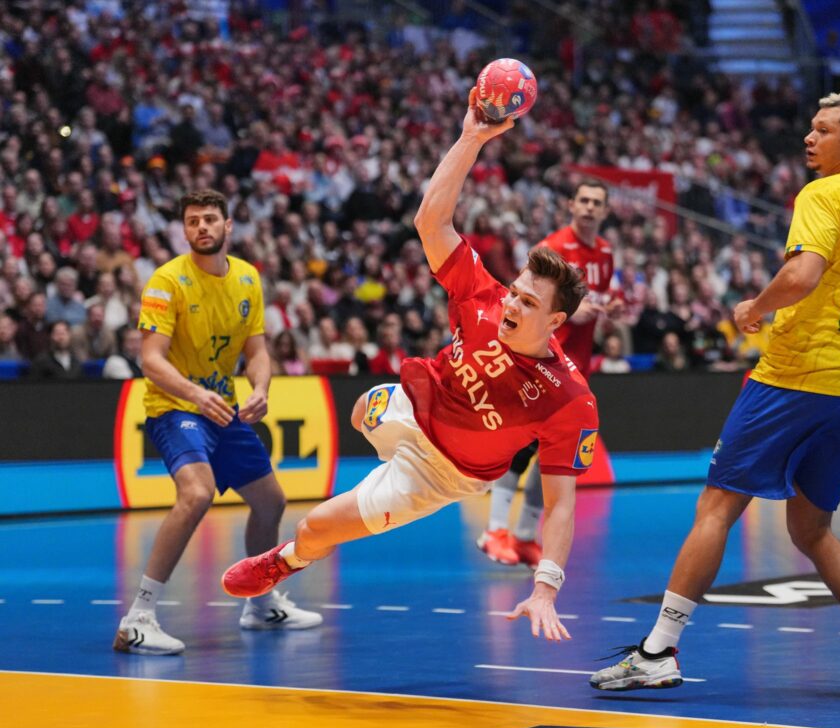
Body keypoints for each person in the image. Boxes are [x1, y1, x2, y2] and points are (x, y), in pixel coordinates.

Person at [221, 91, 598, 643]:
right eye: (514, 293)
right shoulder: (483, 298)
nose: (512, 307)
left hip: (441, 472)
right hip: (413, 406)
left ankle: (287, 561)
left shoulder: (569, 398)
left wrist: (546, 587)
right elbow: (430, 220)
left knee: (316, 526)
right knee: (360, 411)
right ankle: (381, 425)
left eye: (528, 304)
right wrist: (473, 138)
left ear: (558, 320)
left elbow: (562, 505)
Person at [590, 93, 840, 698]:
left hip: (793, 376)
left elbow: (801, 275)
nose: (809, 138)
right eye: (810, 128)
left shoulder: (823, 195)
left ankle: (657, 652)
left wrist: (754, 308)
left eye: (823, 130)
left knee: (717, 508)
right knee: (812, 530)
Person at [114, 189, 322, 656]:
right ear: (184, 230)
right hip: (175, 406)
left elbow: (257, 351)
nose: (202, 227)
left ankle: (261, 603)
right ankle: (138, 618)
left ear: (229, 226)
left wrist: (263, 389)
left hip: (223, 408)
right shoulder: (166, 282)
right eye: (192, 221)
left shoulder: (247, 278)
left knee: (271, 502)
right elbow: (150, 359)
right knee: (197, 493)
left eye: (210, 219)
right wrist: (194, 393)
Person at [477, 180, 617, 567]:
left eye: (597, 202)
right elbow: (527, 304)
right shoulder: (555, 248)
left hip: (576, 368)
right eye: (584, 200)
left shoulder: (605, 253)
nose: (589, 208)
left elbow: (593, 304)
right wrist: (573, 315)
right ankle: (494, 530)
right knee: (523, 445)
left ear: (605, 211)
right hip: (540, 360)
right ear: (572, 204)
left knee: (553, 454)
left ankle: (523, 537)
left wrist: (607, 310)